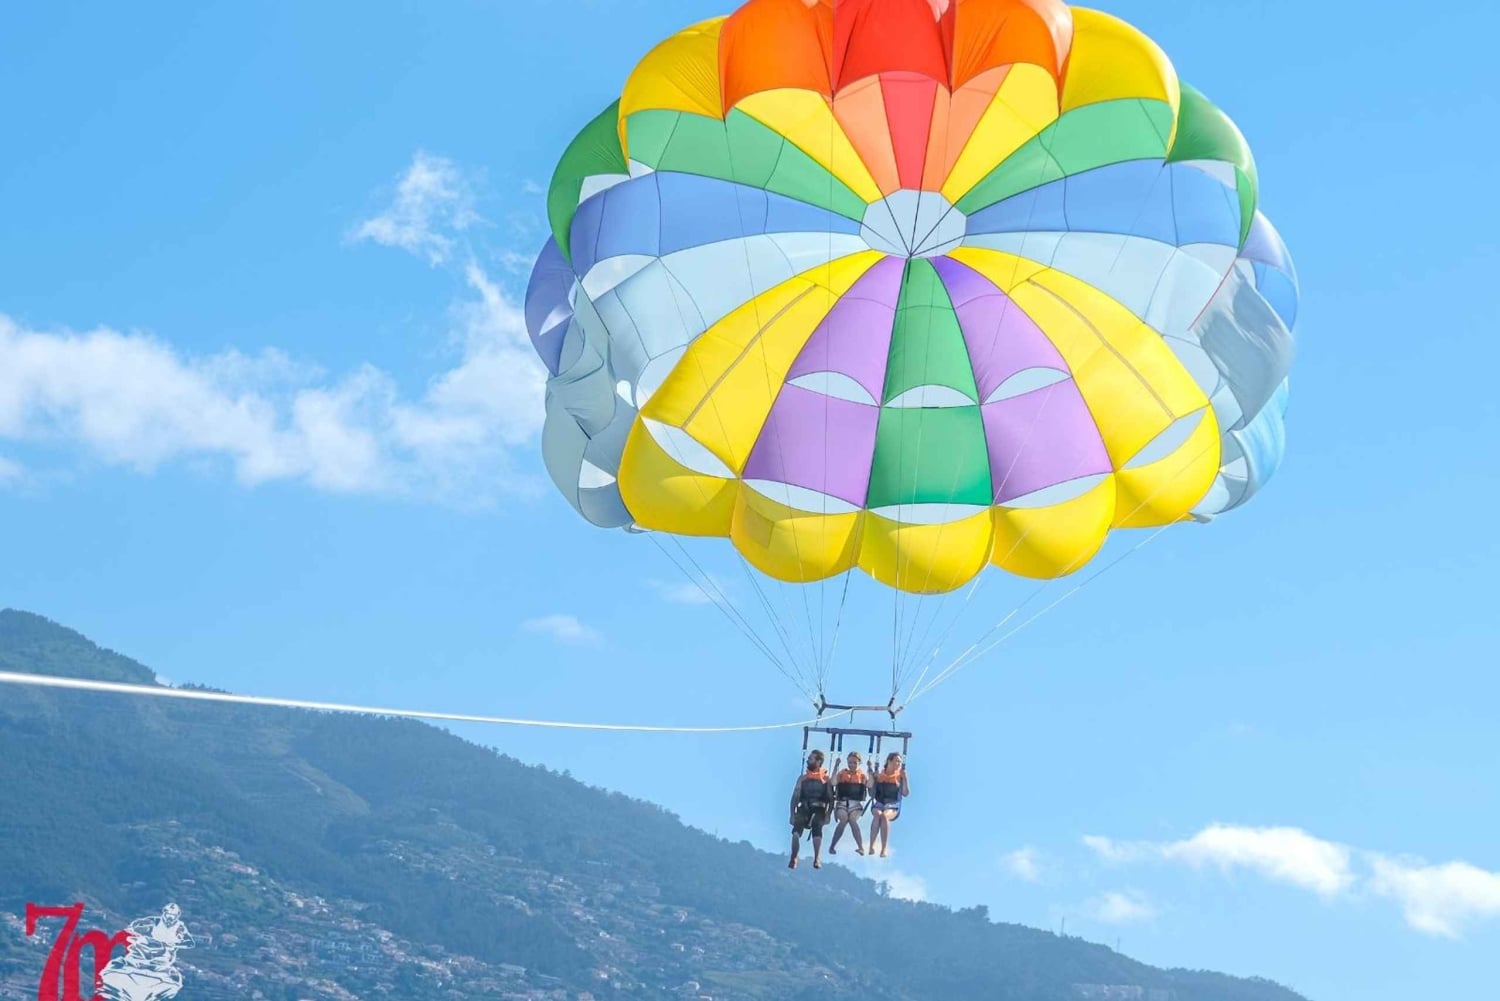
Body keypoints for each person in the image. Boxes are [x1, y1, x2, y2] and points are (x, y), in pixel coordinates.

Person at [788, 749, 833, 869]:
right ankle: (794, 856)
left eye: (810, 759)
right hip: (804, 807)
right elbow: (795, 797)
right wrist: (792, 814)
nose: (808, 761)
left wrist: (828, 814)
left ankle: (817, 858)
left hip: (819, 809)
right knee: (796, 832)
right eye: (808, 759)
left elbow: (830, 799)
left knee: (817, 827)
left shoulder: (826, 780)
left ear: (818, 762)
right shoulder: (802, 778)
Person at [828, 751, 871, 856]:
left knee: (852, 820)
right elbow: (833, 782)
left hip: (855, 805)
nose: (852, 765)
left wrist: (870, 769)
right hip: (842, 803)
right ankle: (832, 846)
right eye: (850, 762)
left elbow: (870, 785)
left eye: (854, 763)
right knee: (843, 820)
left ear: (859, 763)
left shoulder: (862, 775)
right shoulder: (842, 773)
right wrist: (836, 766)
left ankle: (860, 847)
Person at [868, 751, 910, 858]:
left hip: (893, 805)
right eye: (896, 761)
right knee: (877, 815)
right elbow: (871, 792)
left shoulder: (900, 776)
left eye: (900, 762)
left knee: (884, 816)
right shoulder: (879, 775)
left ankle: (884, 848)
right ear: (889, 761)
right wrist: (872, 775)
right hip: (879, 803)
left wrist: (905, 778)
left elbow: (905, 793)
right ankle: (871, 846)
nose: (898, 764)